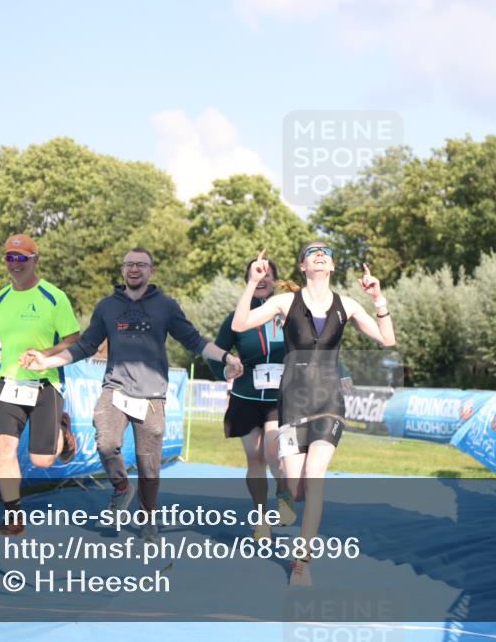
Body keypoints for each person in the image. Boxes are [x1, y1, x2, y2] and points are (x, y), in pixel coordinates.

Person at [23, 246, 243, 541]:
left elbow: (194, 340)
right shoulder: (107, 307)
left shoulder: (166, 306)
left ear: (152, 271)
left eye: (141, 264)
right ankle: (121, 486)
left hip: (152, 396)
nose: (135, 269)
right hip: (115, 389)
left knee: (149, 465)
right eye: (129, 264)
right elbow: (85, 346)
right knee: (106, 443)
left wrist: (226, 357)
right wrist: (47, 361)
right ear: (122, 270)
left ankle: (148, 518)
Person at [231, 242, 396, 586]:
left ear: (333, 266)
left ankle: (302, 561)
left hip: (329, 402)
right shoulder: (284, 301)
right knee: (298, 487)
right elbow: (240, 323)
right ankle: (287, 497)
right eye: (311, 252)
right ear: (302, 266)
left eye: (326, 252)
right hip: (292, 402)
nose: (319, 254)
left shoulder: (347, 305)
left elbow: (387, 338)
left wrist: (378, 299)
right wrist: (252, 282)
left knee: (316, 477)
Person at [0, 234, 81, 536]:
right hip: (10, 384)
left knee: (42, 461)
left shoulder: (54, 297)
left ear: (35, 260)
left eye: (21, 258)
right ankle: (14, 518)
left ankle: (62, 429)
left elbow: (73, 338)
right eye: (9, 258)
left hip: (46, 383)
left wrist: (45, 355)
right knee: (3, 447)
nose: (15, 264)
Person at [210, 257, 297, 541]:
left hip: (280, 396)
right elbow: (216, 352)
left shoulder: (289, 312)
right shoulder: (237, 316)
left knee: (274, 452)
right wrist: (225, 368)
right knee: (254, 457)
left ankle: (283, 494)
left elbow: (317, 345)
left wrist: (338, 374)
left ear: (275, 280)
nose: (261, 280)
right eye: (255, 275)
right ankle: (261, 518)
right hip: (246, 395)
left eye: (267, 275)